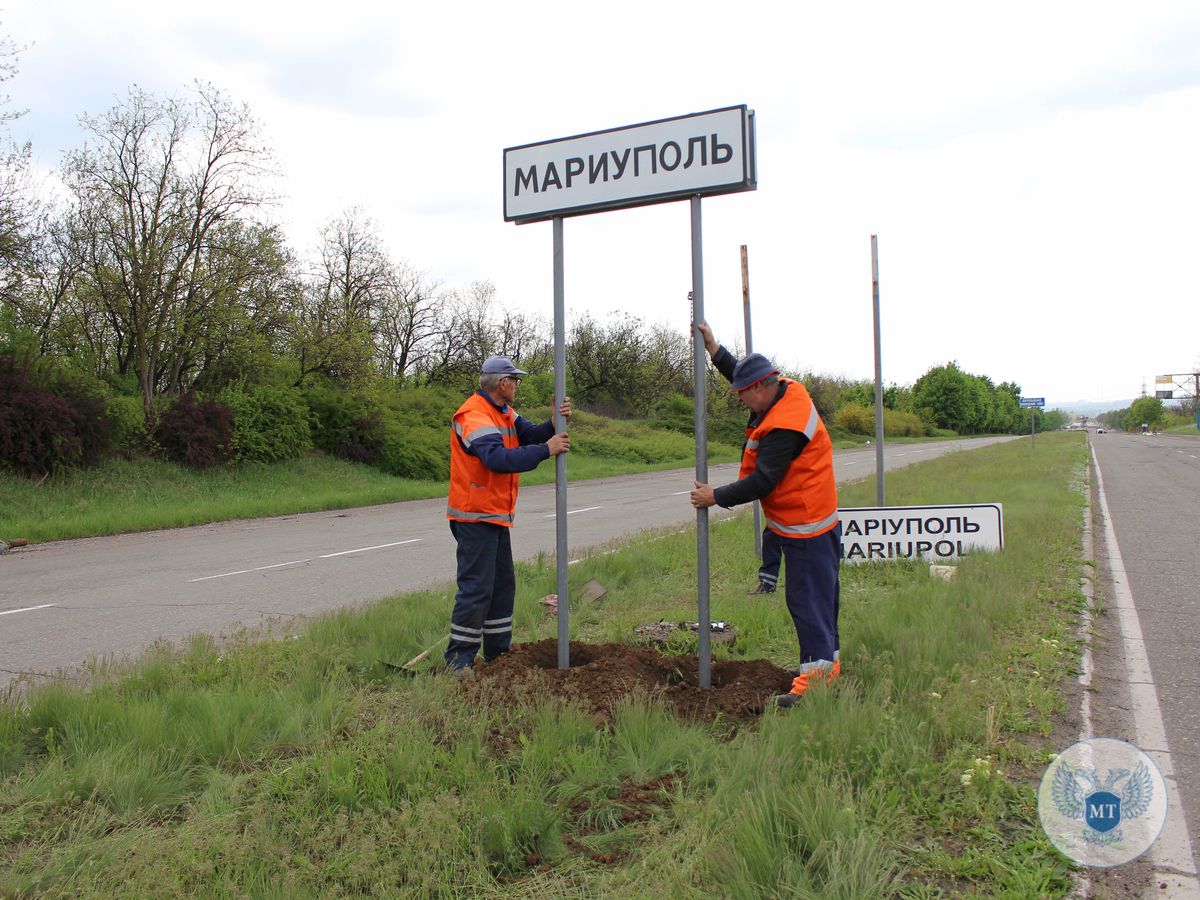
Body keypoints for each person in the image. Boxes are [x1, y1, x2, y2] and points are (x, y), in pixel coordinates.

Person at [690, 322, 842, 709]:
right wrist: (715, 350)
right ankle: (825, 670)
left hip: (806, 525)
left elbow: (764, 481)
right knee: (819, 601)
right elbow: (746, 372)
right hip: (807, 521)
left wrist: (716, 496)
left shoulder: (784, 427)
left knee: (808, 602)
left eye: (743, 396)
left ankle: (814, 687)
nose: (741, 402)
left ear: (760, 389)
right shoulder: (785, 389)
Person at [445, 355, 571, 675]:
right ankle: (459, 660)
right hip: (474, 516)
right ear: (503, 383)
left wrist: (555, 424)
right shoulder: (474, 415)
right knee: (477, 587)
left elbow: (530, 433)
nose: (517, 385)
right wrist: (548, 450)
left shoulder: (503, 412)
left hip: (495, 515)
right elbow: (497, 459)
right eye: (515, 380)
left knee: (502, 586)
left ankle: (498, 655)